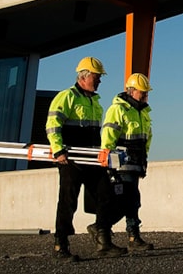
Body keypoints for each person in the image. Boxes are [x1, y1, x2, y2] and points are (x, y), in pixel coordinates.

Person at [45, 56, 125, 260]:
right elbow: (53, 125)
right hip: (71, 160)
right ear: (84, 76)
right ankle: (60, 245)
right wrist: (58, 150)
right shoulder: (67, 97)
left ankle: (103, 241)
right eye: (97, 77)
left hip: (91, 159)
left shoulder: (94, 101)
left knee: (106, 196)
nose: (99, 81)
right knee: (67, 202)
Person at [101, 72, 154, 251]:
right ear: (131, 91)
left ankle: (130, 235)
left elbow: (146, 140)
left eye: (146, 92)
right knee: (126, 201)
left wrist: (143, 162)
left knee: (132, 200)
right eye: (142, 92)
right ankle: (104, 229)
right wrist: (108, 163)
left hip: (135, 164)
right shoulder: (118, 110)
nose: (145, 95)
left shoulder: (142, 112)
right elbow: (108, 137)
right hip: (122, 165)